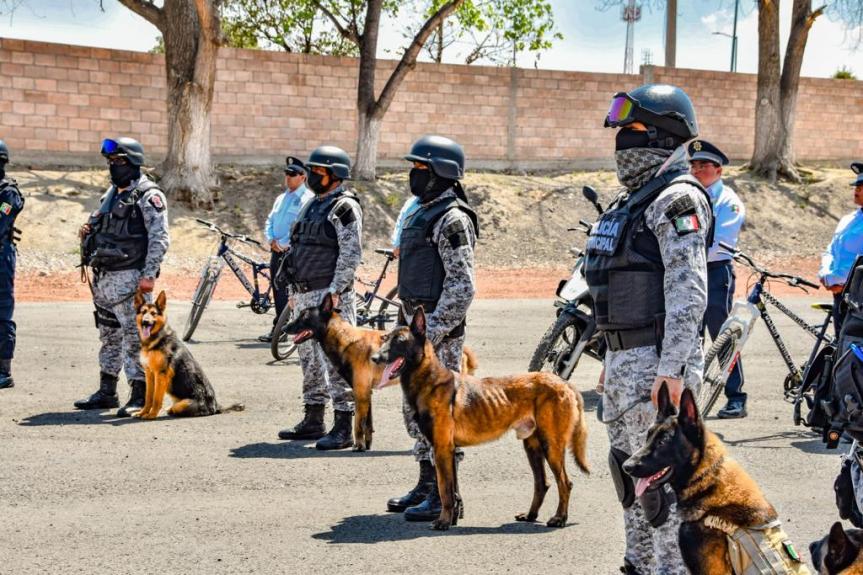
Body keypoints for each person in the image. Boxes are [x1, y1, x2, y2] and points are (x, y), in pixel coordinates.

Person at [585, 84, 713, 575]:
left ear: (665, 134)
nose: (621, 141)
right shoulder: (633, 201)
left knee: (663, 495)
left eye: (631, 130)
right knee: (631, 481)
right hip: (625, 366)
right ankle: (638, 565)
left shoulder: (678, 199)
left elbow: (688, 291)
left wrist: (675, 369)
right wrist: (609, 359)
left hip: (659, 369)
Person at [385, 135, 478, 523]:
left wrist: (431, 335)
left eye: (421, 169)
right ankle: (427, 485)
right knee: (415, 414)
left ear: (441, 173)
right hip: (414, 333)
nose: (414, 175)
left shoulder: (452, 218)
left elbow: (462, 287)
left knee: (440, 419)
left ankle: (447, 498)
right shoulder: (420, 212)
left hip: (437, 340)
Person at [74, 137, 170, 416]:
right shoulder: (112, 193)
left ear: (133, 163)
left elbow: (160, 238)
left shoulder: (149, 195)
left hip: (131, 280)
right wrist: (88, 230)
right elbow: (100, 222)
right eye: (111, 162)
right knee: (108, 336)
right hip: (105, 278)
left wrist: (149, 275)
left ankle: (139, 394)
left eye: (118, 162)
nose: (113, 167)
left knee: (135, 339)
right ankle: (107, 391)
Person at [277, 145, 363, 450]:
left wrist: (336, 292)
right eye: (312, 170)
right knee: (309, 361)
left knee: (337, 362)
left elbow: (350, 255)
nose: (312, 175)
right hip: (303, 295)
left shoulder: (344, 207)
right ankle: (313, 419)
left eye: (319, 171)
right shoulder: (311, 205)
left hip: (329, 298)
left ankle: (344, 427)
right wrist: (292, 293)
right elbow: (297, 248)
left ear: (335, 176)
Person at [689, 139, 747, 419]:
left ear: (719, 171)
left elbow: (720, 245)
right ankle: (688, 395)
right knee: (689, 333)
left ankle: (736, 396)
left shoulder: (728, 202)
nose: (696, 170)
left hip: (714, 273)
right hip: (688, 273)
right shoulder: (688, 195)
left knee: (721, 335)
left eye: (703, 165)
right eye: (693, 165)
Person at [258, 156, 313, 343]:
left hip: (292, 252)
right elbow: (270, 221)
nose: (288, 178)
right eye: (286, 174)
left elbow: (301, 227)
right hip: (277, 250)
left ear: (303, 177)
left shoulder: (307, 199)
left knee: (292, 291)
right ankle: (280, 328)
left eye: (293, 174)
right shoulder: (281, 198)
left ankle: (287, 328)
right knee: (278, 289)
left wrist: (284, 243)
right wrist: (271, 239)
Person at [819, 162, 863, 335]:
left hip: (859, 299)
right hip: (841, 296)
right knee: (841, 350)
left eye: (861, 186)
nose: (857, 189)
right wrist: (827, 275)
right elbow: (831, 249)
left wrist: (842, 282)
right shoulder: (849, 219)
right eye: (856, 186)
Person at [0, 139, 24, 389]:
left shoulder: (8, 193)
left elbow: (1, 220)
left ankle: (4, 371)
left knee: (2, 312)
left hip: (1, 257)